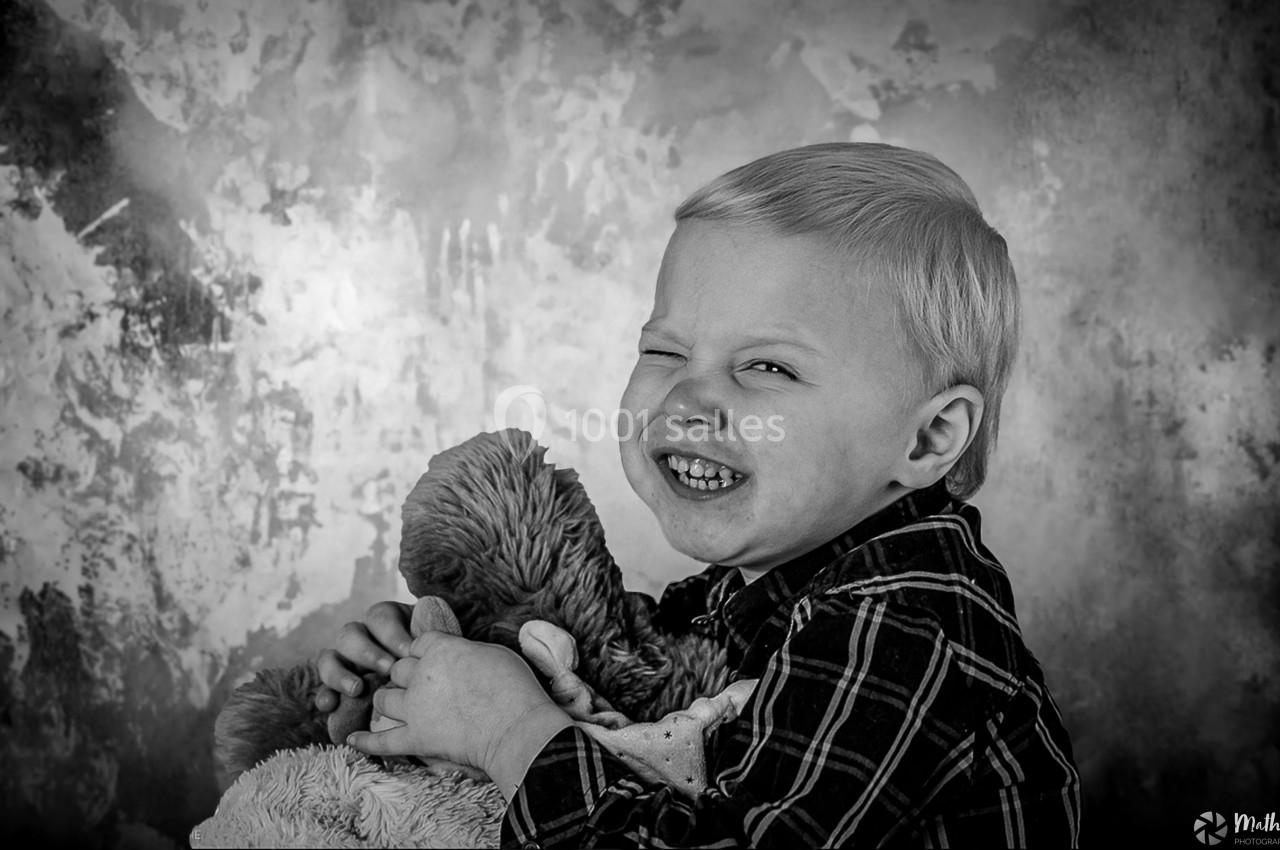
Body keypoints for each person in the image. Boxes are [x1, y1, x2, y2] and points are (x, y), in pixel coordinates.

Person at [314, 142, 1082, 848]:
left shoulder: (907, 629)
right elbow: (628, 705)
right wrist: (422, 683)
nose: (685, 401)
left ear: (928, 438)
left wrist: (510, 733)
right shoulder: (744, 593)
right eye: (664, 350)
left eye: (768, 368)